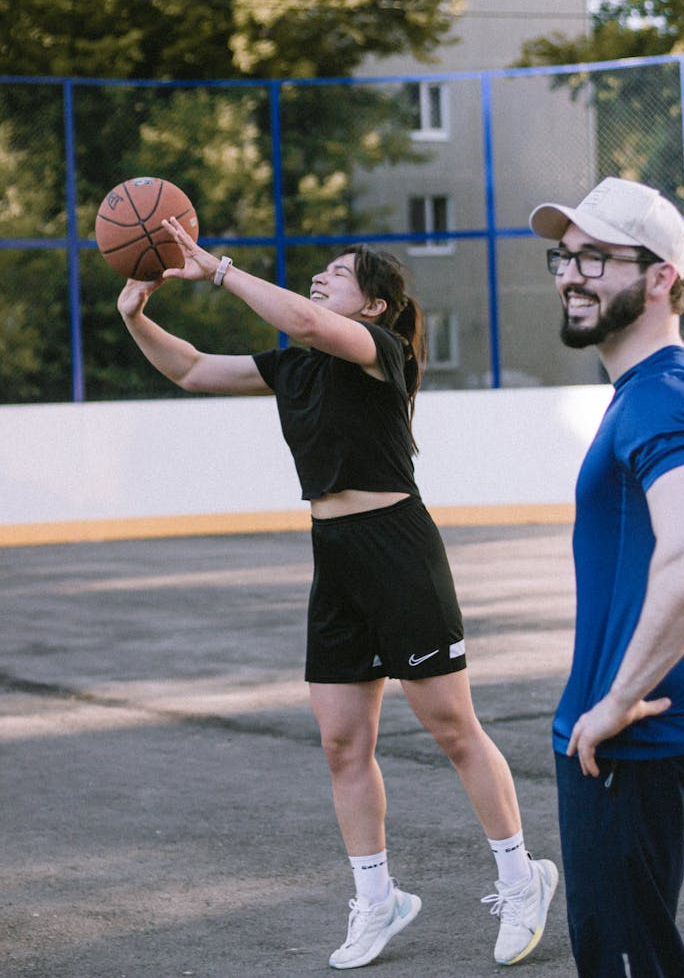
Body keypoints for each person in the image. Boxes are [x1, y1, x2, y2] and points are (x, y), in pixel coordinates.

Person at [117, 220, 558, 970]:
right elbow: (191, 369)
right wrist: (136, 314)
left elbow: (306, 318)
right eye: (319, 268)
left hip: (398, 547)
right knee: (342, 742)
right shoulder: (297, 368)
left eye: (338, 271)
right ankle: (378, 898)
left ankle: (522, 879)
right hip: (336, 554)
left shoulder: (379, 354)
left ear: (375, 307)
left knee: (453, 728)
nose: (321, 276)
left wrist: (218, 270)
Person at [528, 176, 684, 977]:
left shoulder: (665, 398)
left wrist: (619, 697)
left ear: (663, 277)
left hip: (632, 740)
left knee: (627, 960)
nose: (571, 273)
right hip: (661, 723)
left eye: (598, 257)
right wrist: (679, 648)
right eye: (566, 255)